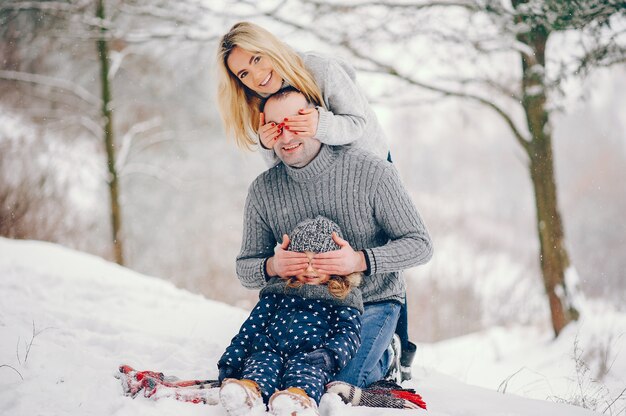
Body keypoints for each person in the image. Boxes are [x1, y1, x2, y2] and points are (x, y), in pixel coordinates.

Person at [217, 21, 417, 378]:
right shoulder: (258, 102)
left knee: (374, 253)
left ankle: (396, 343)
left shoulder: (320, 70)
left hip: (363, 163)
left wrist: (319, 125)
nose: (256, 76)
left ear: (272, 48)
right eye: (244, 73)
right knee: (330, 262)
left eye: (258, 60)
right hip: (309, 180)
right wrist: (268, 142)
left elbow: (358, 123)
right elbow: (284, 162)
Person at [235, 88, 433, 390]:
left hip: (372, 301)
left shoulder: (372, 171)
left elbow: (421, 244)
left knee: (336, 381)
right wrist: (273, 266)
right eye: (275, 127)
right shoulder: (263, 190)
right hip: (299, 305)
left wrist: (360, 260)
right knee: (280, 374)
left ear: (316, 119)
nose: (286, 137)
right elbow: (245, 269)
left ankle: (387, 353)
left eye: (295, 123)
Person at [217, 216, 363, 416]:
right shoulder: (278, 290)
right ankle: (249, 393)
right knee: (259, 366)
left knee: (306, 376)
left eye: (319, 262)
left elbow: (348, 333)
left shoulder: (341, 296)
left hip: (310, 356)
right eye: (303, 262)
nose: (310, 270)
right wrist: (231, 359)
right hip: (267, 349)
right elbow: (252, 326)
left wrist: (331, 354)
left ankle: (297, 400)